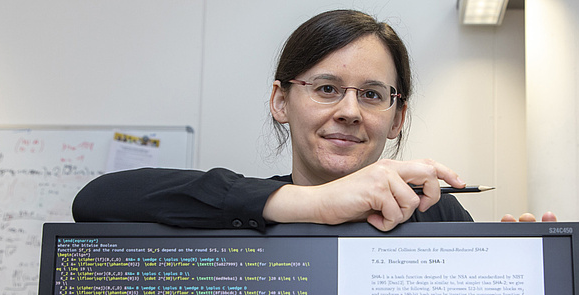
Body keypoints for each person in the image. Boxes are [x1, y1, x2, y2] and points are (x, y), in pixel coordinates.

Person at [73, 9, 554, 230]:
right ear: (281, 102)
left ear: (397, 117)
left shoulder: (438, 214)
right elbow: (96, 201)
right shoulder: (239, 213)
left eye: (371, 95)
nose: (349, 111)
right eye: (326, 89)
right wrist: (315, 205)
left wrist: (516, 269)